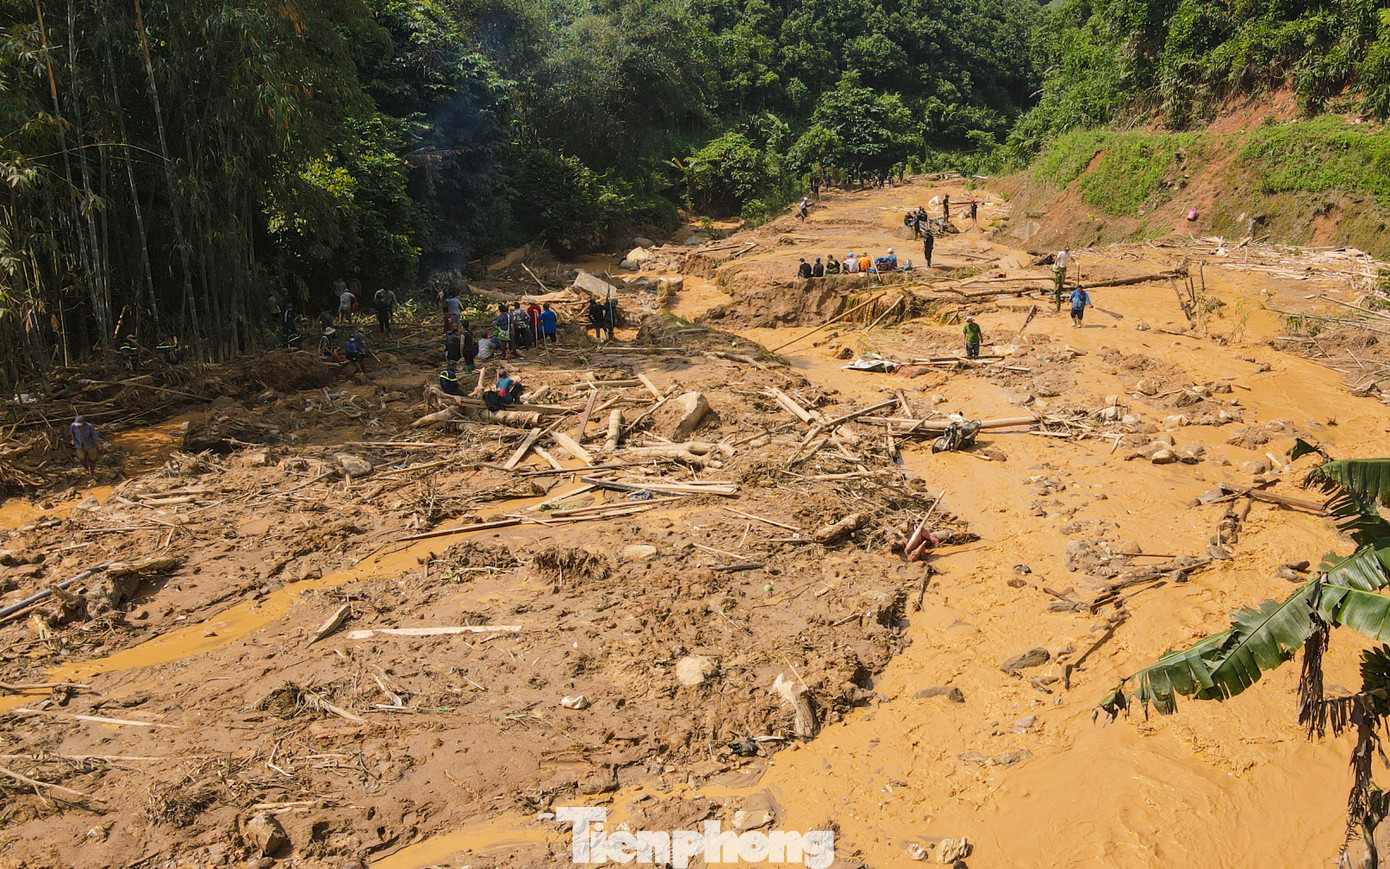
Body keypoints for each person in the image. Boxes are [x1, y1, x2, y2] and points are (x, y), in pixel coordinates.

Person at [1053, 248, 1072, 312]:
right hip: (1060, 265)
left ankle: (1058, 308)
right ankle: (1058, 308)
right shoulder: (1061, 253)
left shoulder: (1058, 276)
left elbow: (1058, 283)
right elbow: (1057, 259)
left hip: (1058, 289)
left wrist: (1056, 290)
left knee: (1057, 298)